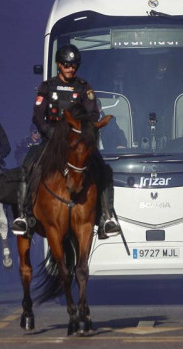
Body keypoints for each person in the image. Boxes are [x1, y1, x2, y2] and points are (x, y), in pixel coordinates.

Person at [12, 44, 120, 239]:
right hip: (51, 140)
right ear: (59, 65)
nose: (71, 69)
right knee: (28, 166)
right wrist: (48, 131)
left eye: (74, 66)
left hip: (77, 141)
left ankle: (106, 218)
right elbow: (37, 115)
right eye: (67, 65)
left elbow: (93, 114)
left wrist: (82, 131)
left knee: (103, 169)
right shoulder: (47, 87)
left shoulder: (84, 87)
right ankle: (24, 215)